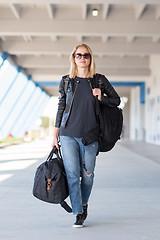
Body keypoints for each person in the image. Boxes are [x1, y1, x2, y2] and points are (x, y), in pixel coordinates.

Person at [52, 43, 120, 228]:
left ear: (91, 58)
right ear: (73, 58)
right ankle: (78, 212)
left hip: (91, 135)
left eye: (86, 55)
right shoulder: (67, 81)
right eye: (78, 55)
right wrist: (55, 135)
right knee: (73, 175)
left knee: (88, 175)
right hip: (68, 135)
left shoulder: (99, 80)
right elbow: (61, 108)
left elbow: (116, 100)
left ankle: (83, 203)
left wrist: (101, 97)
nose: (82, 58)